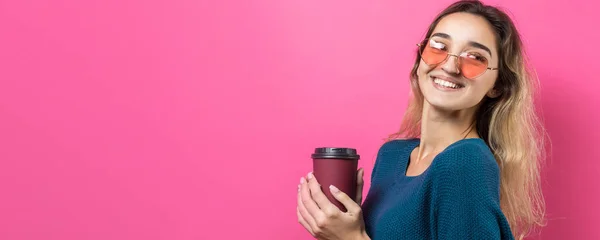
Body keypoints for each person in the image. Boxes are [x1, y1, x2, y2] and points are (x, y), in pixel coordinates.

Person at [296, 0, 547, 239]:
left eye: (475, 57)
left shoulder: (465, 163)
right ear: (419, 61)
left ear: (497, 86)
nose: (450, 66)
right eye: (439, 47)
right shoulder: (391, 157)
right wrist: (339, 226)